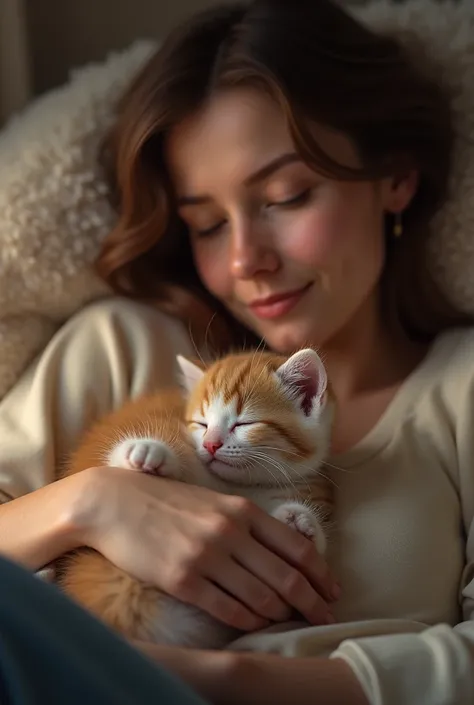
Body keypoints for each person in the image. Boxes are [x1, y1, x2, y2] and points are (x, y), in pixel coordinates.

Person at [0, 0, 472, 702]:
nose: (247, 258)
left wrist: (230, 679)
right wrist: (94, 501)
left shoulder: (459, 390)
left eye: (288, 194)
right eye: (208, 223)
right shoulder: (125, 346)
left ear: (394, 177)